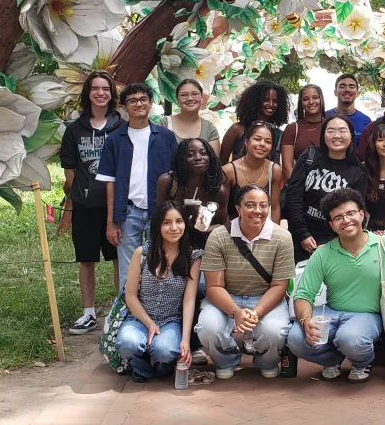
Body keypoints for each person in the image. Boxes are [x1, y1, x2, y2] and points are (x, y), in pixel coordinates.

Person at [287, 188, 385, 382]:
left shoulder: (383, 243)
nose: (346, 220)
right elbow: (303, 294)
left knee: (350, 339)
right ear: (332, 225)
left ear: (362, 214)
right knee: (295, 339)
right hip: (331, 312)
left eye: (350, 213)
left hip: (367, 316)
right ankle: (332, 359)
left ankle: (362, 362)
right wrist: (305, 320)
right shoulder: (322, 253)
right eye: (338, 217)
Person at [195, 185, 295, 379]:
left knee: (274, 331)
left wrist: (255, 313)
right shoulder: (219, 236)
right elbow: (214, 286)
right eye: (250, 205)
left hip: (265, 297)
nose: (258, 211)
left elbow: (279, 286)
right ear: (238, 209)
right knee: (208, 327)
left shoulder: (282, 237)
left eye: (263, 205)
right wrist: (235, 311)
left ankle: (266, 361)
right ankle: (226, 360)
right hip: (227, 295)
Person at [98, 83, 179, 289]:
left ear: (151, 103)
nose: (138, 104)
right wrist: (110, 221)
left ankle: (156, 309)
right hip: (128, 212)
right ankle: (126, 314)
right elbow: (110, 183)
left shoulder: (166, 137)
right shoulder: (115, 140)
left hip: (158, 211)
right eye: (132, 101)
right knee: (128, 267)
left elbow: (176, 178)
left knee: (160, 261)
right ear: (124, 106)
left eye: (143, 99)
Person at [60, 71, 124, 335]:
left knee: (120, 258)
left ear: (112, 94)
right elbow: (70, 174)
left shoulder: (122, 126)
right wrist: (70, 208)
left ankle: (121, 311)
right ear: (87, 93)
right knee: (86, 260)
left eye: (105, 89)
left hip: (118, 206)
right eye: (95, 88)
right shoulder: (75, 130)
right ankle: (88, 313)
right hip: (86, 206)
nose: (100, 93)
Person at [116, 202, 202, 382]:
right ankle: (142, 363)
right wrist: (149, 324)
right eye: (167, 223)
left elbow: (189, 301)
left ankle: (151, 367)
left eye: (179, 221)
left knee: (165, 351)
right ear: (157, 226)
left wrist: (185, 340)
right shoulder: (142, 253)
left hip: (171, 320)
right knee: (127, 344)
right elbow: (130, 295)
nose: (174, 228)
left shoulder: (193, 257)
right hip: (139, 318)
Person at [284, 114, 370, 261]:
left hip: (336, 243)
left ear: (351, 136)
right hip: (300, 238)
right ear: (324, 135)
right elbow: (293, 196)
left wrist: (335, 243)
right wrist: (303, 234)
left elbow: (354, 213)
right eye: (331, 131)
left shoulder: (359, 172)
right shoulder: (310, 156)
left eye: (342, 131)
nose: (337, 135)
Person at [155, 137, 226, 250]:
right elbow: (159, 219)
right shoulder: (168, 182)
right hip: (173, 243)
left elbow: (222, 225)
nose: (198, 158)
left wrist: (202, 228)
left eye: (203, 153)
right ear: (181, 159)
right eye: (190, 154)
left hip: (204, 246)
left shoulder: (217, 190)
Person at [220, 122, 283, 223]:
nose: (262, 144)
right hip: (233, 229)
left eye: (268, 141)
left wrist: (274, 234)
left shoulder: (274, 170)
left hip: (263, 229)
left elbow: (275, 208)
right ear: (246, 142)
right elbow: (222, 210)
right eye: (257, 139)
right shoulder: (229, 171)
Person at [220, 80, 289, 164]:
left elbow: (276, 165)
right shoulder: (237, 129)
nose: (271, 104)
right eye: (266, 99)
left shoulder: (279, 134)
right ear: (255, 101)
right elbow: (222, 162)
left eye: (275, 101)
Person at [161, 78, 221, 159]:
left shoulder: (209, 129)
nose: (190, 98)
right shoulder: (164, 123)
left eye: (195, 94)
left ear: (202, 99)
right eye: (184, 95)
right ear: (177, 100)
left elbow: (214, 163)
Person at [281, 84, 326, 180]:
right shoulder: (292, 129)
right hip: (300, 187)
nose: (311, 102)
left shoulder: (332, 126)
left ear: (321, 99)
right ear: (301, 103)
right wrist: (298, 188)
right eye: (305, 99)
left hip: (329, 185)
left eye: (315, 97)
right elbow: (287, 168)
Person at [326, 73, 371, 150]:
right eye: (342, 86)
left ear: (357, 93)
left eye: (351, 86)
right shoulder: (324, 117)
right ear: (335, 92)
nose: (347, 90)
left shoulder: (366, 121)